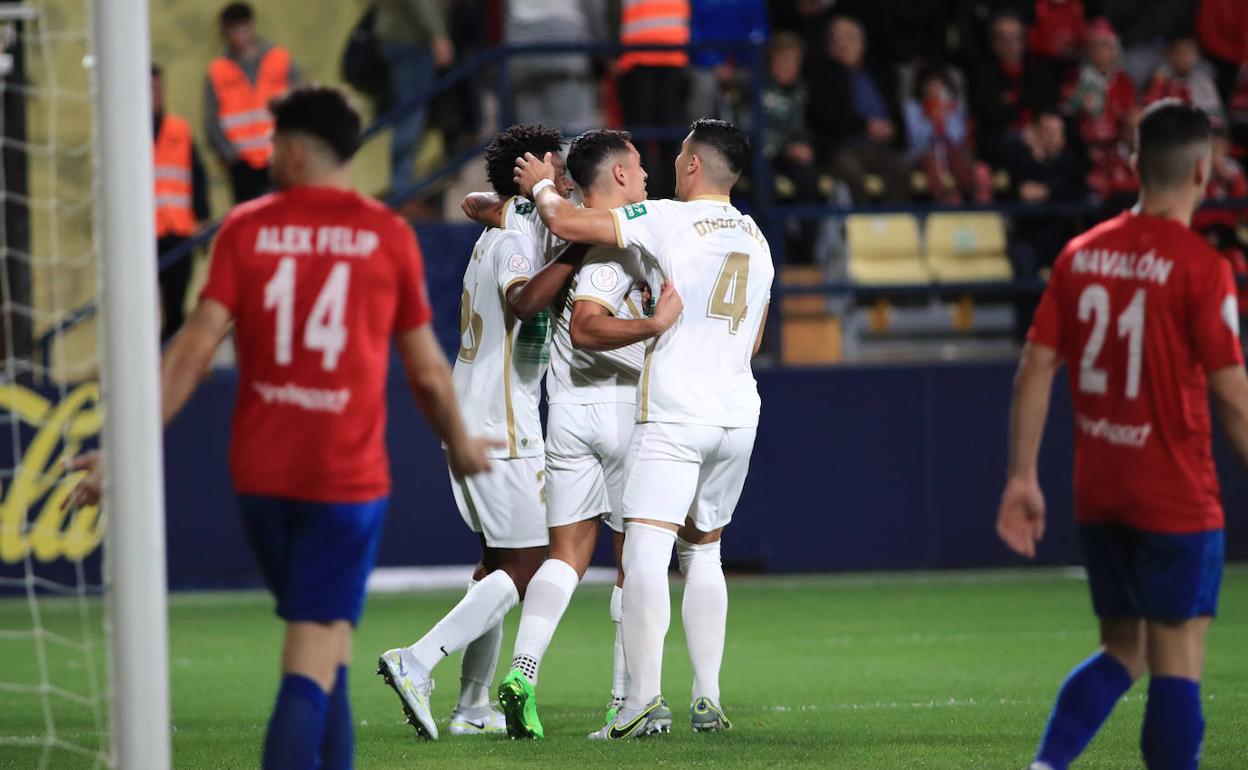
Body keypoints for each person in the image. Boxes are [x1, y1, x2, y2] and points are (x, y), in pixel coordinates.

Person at [71, 85, 497, 770]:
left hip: (261, 478)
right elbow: (423, 369)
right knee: (312, 650)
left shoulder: (245, 227)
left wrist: (122, 450)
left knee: (328, 646)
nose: (269, 156)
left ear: (294, 152)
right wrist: (462, 439)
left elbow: (190, 349)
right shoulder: (385, 235)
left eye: (273, 145)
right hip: (343, 479)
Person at [997, 100, 1248, 770]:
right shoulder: (1202, 266)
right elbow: (1231, 394)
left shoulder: (1081, 254)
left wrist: (1022, 476)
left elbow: (1035, 367)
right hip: (1175, 492)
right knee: (1178, 656)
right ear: (1206, 171)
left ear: (1135, 164)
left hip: (1101, 490)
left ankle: (1045, 767)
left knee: (1123, 649)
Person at [514, 118, 774, 739]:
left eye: (678, 156)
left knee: (648, 551)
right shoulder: (757, 236)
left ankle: (640, 702)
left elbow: (569, 224)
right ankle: (707, 698)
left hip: (677, 411)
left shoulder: (668, 218)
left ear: (691, 167)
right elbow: (756, 335)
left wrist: (546, 188)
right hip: (738, 410)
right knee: (705, 550)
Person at [376, 125, 587, 741]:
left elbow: (479, 204)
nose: (565, 167)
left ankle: (471, 708)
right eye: (556, 160)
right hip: (503, 423)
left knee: (497, 561)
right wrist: (575, 254)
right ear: (536, 166)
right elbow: (523, 302)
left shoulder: (509, 220)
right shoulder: (519, 232)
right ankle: (416, 662)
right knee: (530, 564)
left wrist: (517, 204)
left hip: (479, 415)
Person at [489, 130, 681, 739]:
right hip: (622, 411)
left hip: (566, 412)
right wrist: (653, 324)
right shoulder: (616, 244)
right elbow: (590, 325)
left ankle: (522, 671)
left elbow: (483, 204)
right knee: (634, 563)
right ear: (619, 176)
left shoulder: (561, 231)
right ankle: (628, 702)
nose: (649, 177)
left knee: (566, 559)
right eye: (641, 168)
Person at [204, 3, 300, 204]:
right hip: (242, 165)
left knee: (285, 214)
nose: (238, 35)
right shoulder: (218, 71)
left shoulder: (280, 59)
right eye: (233, 29)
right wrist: (232, 156)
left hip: (280, 156)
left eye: (242, 27)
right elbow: (211, 122)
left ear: (251, 26)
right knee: (250, 224)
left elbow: (300, 105)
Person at [806, 16, 910, 203]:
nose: (847, 43)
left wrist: (892, 129)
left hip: (880, 146)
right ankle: (862, 227)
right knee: (850, 171)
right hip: (843, 146)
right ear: (829, 44)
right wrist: (866, 126)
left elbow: (896, 112)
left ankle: (895, 227)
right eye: (841, 37)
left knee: (900, 166)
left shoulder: (878, 73)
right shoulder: (822, 74)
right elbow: (826, 116)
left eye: (852, 37)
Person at [151, 64, 210, 343]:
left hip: (178, 230)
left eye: (159, 88)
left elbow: (197, 176)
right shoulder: (124, 133)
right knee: (141, 308)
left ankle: (169, 363)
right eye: (150, 88)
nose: (156, 94)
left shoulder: (179, 129)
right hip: (144, 235)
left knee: (176, 308)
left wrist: (202, 217)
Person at [375, 0, 454, 197]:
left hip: (405, 37)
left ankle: (403, 188)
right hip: (411, 40)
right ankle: (401, 192)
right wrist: (438, 34)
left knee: (412, 115)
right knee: (411, 115)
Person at [615, 0, 691, 198]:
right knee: (643, 139)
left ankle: (670, 197)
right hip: (641, 59)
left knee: (669, 138)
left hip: (666, 58)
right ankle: (648, 198)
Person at [969, 11, 1060, 166]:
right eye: (1002, 39)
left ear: (1024, 41)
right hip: (1001, 141)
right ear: (993, 43)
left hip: (1040, 132)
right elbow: (990, 115)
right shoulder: (982, 74)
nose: (1010, 45)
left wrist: (1013, 101)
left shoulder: (1038, 69)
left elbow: (1046, 103)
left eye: (1016, 38)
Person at [1063, 18, 1138, 202]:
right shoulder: (1077, 79)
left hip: (1118, 148)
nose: (1099, 52)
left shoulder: (1124, 82)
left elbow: (1129, 115)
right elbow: (1069, 112)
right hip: (1085, 150)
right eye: (1094, 46)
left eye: (1105, 46)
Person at [505, 0, 607, 136]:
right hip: (564, 32)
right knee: (573, 127)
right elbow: (593, 7)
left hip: (518, 36)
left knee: (532, 132)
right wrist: (601, 49)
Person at [903, 66, 992, 204]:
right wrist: (931, 120)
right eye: (931, 85)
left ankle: (974, 200)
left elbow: (959, 137)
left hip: (951, 151)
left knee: (957, 159)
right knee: (933, 163)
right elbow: (915, 139)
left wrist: (944, 117)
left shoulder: (955, 107)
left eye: (939, 85)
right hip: (923, 153)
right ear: (923, 87)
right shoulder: (912, 108)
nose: (935, 89)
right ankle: (944, 203)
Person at [1144, 33, 1225, 123]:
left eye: (1189, 53)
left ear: (1197, 56)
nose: (1184, 58)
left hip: (1197, 130)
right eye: (1179, 53)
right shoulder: (1159, 78)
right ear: (1168, 54)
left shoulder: (1203, 81)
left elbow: (1214, 116)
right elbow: (1150, 110)